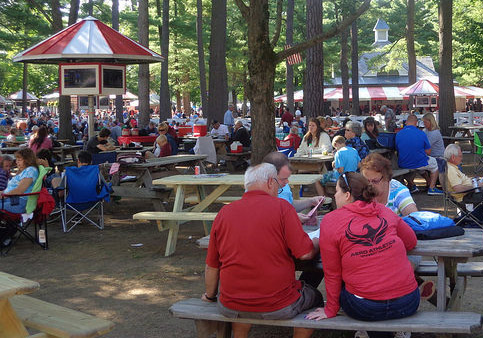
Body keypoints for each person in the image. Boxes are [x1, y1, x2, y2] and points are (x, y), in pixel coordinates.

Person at [203, 163, 322, 338]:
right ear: (270, 182)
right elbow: (305, 254)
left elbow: (212, 265)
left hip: (230, 304)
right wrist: (318, 240)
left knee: (244, 303)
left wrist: (210, 296)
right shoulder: (282, 208)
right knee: (316, 297)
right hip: (278, 305)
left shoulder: (224, 212)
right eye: (277, 182)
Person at [306, 172, 419, 331]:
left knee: (353, 282)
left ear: (346, 195)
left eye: (336, 191)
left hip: (364, 307)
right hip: (408, 302)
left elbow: (332, 272)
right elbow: (411, 241)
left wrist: (330, 309)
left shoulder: (330, 221)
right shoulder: (383, 211)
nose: (335, 195)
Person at [395, 115, 443, 195]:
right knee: (435, 165)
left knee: (418, 167)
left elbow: (397, 149)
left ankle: (415, 184)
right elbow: (428, 152)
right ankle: (432, 188)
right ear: (416, 123)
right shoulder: (421, 133)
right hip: (418, 161)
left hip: (403, 163)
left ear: (406, 122)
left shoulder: (398, 134)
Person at [444, 144, 483, 223]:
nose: (462, 158)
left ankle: (476, 218)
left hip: (470, 192)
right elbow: (458, 189)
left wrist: (475, 181)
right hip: (465, 196)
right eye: (460, 156)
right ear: (453, 157)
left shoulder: (452, 167)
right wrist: (475, 186)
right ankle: (476, 218)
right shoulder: (451, 170)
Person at [1, 148, 39, 213]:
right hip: (10, 199)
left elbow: (20, 190)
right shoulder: (24, 171)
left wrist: (3, 195)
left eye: (19, 160)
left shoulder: (31, 170)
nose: (16, 162)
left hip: (17, 202)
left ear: (27, 160)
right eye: (17, 160)